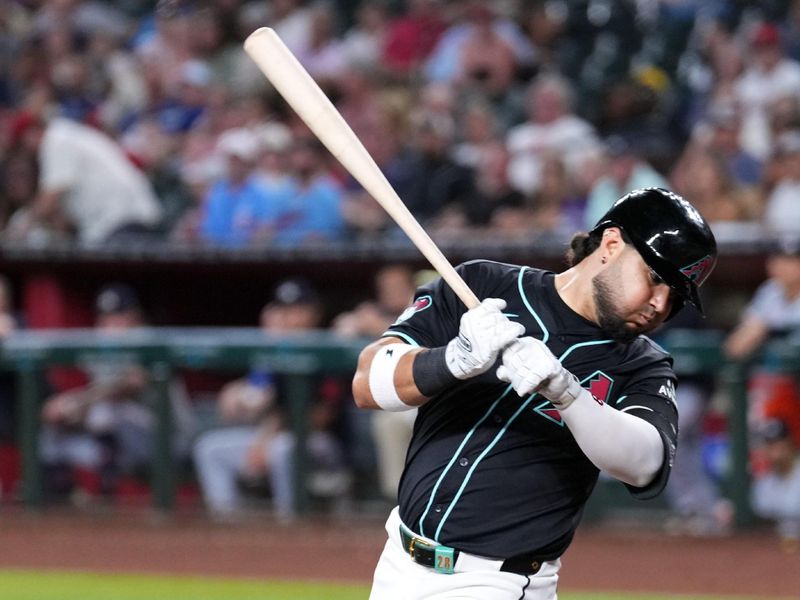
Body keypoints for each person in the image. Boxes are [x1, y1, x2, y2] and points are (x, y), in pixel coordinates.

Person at [352, 187, 717, 599]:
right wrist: (452, 360)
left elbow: (645, 463)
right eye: (655, 278)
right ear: (612, 244)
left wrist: (568, 394)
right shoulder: (482, 284)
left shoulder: (642, 365)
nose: (659, 304)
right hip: (398, 564)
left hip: (498, 581)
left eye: (675, 298)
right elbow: (367, 384)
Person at [192, 278, 350, 522]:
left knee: (282, 449)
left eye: (297, 310)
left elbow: (321, 417)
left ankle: (290, 522)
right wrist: (241, 397)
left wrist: (267, 440)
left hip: (324, 445)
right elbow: (256, 406)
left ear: (314, 313)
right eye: (283, 310)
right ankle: (227, 523)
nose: (289, 317)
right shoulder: (277, 352)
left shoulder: (329, 349)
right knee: (210, 448)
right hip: (278, 436)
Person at [39, 283, 194, 501]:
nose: (110, 326)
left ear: (135, 318)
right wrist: (66, 409)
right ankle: (61, 497)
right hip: (122, 444)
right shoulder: (100, 348)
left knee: (107, 412)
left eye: (118, 318)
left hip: (170, 440)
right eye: (104, 319)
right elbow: (96, 400)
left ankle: (106, 494)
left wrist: (78, 402)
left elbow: (130, 383)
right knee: (54, 429)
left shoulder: (149, 341)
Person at [750, 418, 800, 551]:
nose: (776, 450)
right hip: (772, 553)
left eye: (780, 442)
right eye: (770, 444)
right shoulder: (763, 482)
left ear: (790, 443)